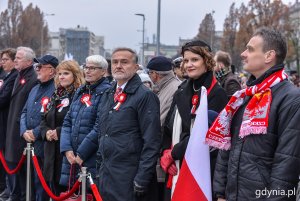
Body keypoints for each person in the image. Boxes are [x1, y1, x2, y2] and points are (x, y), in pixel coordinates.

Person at [206, 28, 300, 200]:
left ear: (269, 56)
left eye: (250, 49)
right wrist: (220, 192)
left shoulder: (292, 99)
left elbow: (287, 166)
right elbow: (227, 146)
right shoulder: (245, 95)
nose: (243, 54)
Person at [161, 40, 228, 201]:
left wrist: (173, 154)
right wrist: (164, 152)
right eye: (185, 60)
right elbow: (168, 127)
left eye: (194, 60)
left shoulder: (217, 94)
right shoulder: (182, 90)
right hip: (176, 166)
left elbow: (205, 134)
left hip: (200, 168)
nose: (189, 64)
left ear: (207, 61)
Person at [96, 47, 161, 201]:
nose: (118, 66)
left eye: (124, 62)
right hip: (107, 175)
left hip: (130, 176)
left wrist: (142, 178)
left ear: (136, 67)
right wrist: (99, 169)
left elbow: (152, 141)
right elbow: (102, 132)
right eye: (115, 62)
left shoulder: (145, 96)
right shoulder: (108, 94)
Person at [60, 55, 111, 187]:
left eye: (92, 68)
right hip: (71, 155)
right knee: (72, 191)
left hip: (90, 156)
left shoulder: (107, 92)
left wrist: (81, 153)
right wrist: (66, 149)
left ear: (103, 71)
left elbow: (99, 126)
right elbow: (67, 122)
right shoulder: (81, 91)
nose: (87, 71)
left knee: (89, 192)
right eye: (86, 67)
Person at [40, 60, 84, 195]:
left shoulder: (79, 95)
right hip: (50, 150)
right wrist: (46, 132)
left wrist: (58, 132)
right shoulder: (55, 95)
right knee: (53, 191)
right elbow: (43, 118)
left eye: (66, 73)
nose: (62, 77)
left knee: (66, 192)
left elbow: (78, 121)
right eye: (59, 74)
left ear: (75, 75)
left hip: (66, 152)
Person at [20, 54, 58, 201]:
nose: (37, 69)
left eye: (40, 67)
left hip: (44, 145)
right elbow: (23, 112)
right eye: (37, 66)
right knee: (31, 184)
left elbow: (53, 118)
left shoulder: (56, 89)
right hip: (29, 144)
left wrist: (35, 132)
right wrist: (24, 131)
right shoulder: (34, 88)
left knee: (41, 185)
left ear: (52, 71)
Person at [4, 47, 38, 201]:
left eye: (18, 58)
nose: (15, 60)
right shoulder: (19, 75)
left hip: (22, 131)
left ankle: (22, 196)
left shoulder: (33, 78)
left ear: (29, 61)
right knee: (12, 164)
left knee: (22, 168)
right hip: (12, 127)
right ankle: (14, 193)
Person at [146, 56, 181, 201]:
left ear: (156, 74)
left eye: (150, 73)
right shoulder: (164, 87)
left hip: (164, 153)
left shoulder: (174, 89)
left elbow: (159, 122)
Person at [0, 48, 17, 199]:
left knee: (7, 158)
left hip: (7, 123)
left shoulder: (13, 77)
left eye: (5, 60)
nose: (2, 63)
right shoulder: (7, 76)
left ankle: (7, 187)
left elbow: (3, 99)